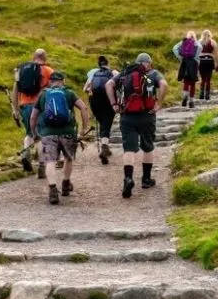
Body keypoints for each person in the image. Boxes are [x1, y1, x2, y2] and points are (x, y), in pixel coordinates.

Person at [105, 54, 168, 198]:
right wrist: (159, 103)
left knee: (128, 149)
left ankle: (128, 178)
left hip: (127, 116)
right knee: (148, 147)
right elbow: (164, 85)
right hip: (147, 115)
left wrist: (114, 104)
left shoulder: (125, 73)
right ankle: (146, 179)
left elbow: (108, 84)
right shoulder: (153, 74)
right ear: (149, 63)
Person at [29, 72, 91, 205]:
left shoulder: (43, 94)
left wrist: (34, 134)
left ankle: (52, 190)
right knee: (68, 159)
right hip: (68, 132)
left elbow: (33, 117)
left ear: (50, 82)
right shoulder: (69, 93)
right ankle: (66, 184)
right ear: (63, 81)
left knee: (50, 161)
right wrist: (84, 128)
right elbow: (84, 108)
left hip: (48, 133)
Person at [13, 49, 54, 177]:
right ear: (44, 57)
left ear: (33, 57)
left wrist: (15, 109)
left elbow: (15, 90)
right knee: (41, 135)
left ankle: (26, 153)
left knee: (29, 133)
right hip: (41, 106)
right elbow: (54, 90)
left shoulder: (22, 70)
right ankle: (42, 166)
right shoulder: (49, 71)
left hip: (25, 105)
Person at [83, 56, 119, 164]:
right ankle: (104, 146)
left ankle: (105, 146)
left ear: (99, 65)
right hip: (108, 100)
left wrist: (91, 91)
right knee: (106, 123)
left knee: (102, 123)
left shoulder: (94, 73)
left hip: (95, 102)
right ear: (108, 63)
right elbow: (121, 83)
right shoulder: (113, 72)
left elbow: (85, 89)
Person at [172, 31, 201, 108]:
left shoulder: (183, 42)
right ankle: (191, 101)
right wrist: (196, 60)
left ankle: (184, 98)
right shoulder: (196, 43)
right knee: (193, 83)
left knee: (186, 82)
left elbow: (174, 48)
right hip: (194, 65)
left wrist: (181, 58)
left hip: (185, 63)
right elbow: (200, 49)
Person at [198, 29, 218, 101]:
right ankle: (207, 95)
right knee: (208, 79)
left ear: (202, 34)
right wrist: (217, 64)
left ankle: (201, 94)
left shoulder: (199, 42)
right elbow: (216, 54)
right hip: (209, 61)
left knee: (203, 79)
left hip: (201, 61)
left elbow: (196, 53)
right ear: (210, 35)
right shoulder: (213, 42)